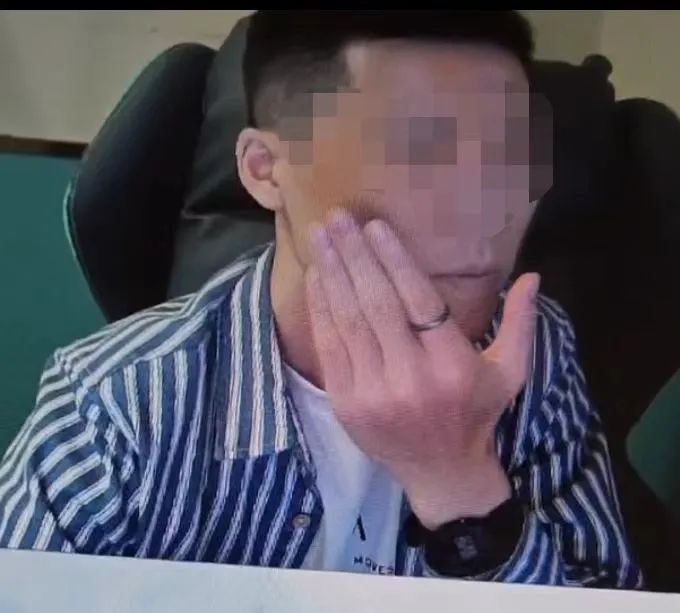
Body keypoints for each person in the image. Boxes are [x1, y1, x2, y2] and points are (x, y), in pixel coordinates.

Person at [0, 10, 641, 587]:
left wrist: (459, 486)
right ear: (265, 171)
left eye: (511, 150)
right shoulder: (116, 403)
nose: (489, 202)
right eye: (420, 145)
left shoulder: (534, 350)